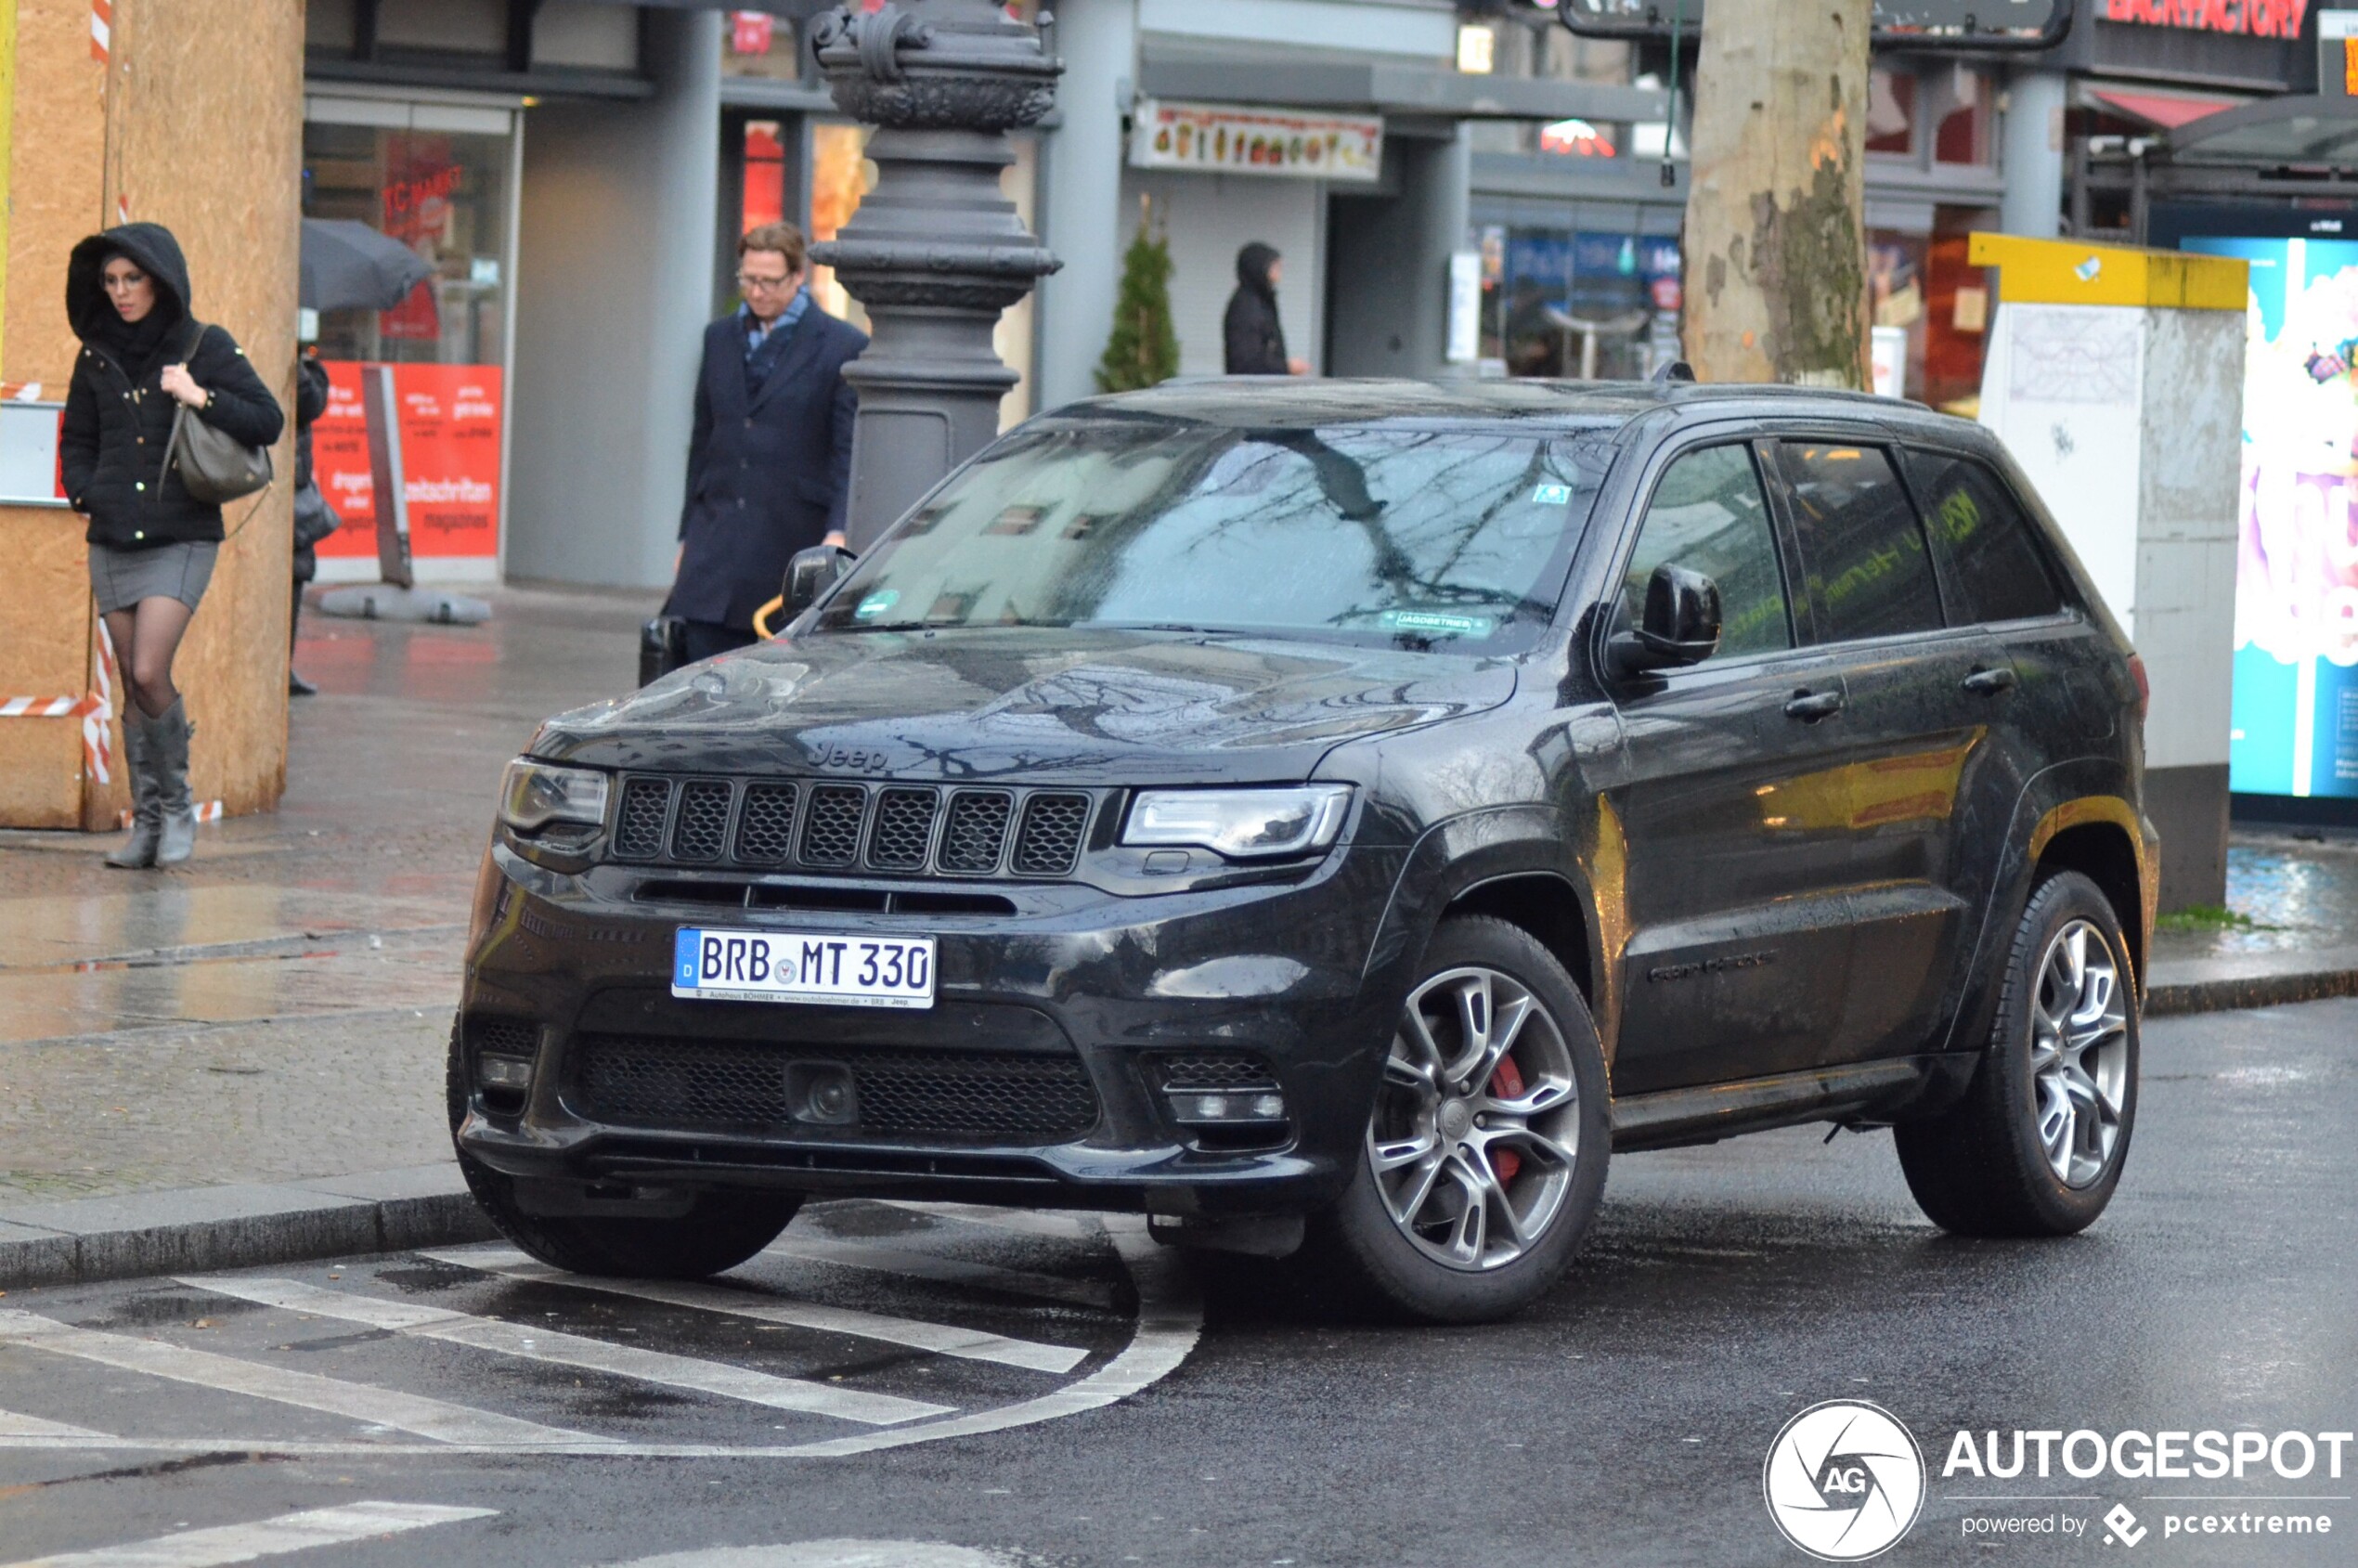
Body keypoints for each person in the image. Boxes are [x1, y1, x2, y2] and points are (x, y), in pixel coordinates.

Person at [60, 222, 284, 869]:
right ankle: (147, 825)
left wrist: (200, 394)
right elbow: (78, 437)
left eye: (133, 278)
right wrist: (85, 492)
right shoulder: (94, 352)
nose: (122, 292)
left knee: (149, 670)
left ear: (159, 278)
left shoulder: (201, 343)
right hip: (112, 535)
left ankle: (176, 807)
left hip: (181, 535)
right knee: (133, 685)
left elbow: (266, 418)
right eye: (110, 281)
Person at [667, 222, 865, 665]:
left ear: (798, 277)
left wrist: (837, 531)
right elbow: (704, 438)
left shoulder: (842, 345)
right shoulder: (718, 338)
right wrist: (686, 535)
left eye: (769, 281)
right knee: (696, 675)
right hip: (713, 546)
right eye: (748, 279)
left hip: (789, 541)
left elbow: (845, 451)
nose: (757, 292)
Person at [288, 327, 334, 696]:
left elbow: (311, 404)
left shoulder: (306, 368)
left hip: (295, 492)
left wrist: (300, 363)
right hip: (261, 484)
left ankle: (284, 666)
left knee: (296, 575)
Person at [1223, 241, 1310, 377]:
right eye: (1274, 266)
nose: (1279, 271)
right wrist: (1286, 367)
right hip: (1251, 389)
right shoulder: (1246, 307)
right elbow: (1246, 362)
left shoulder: (1262, 301)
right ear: (1259, 268)